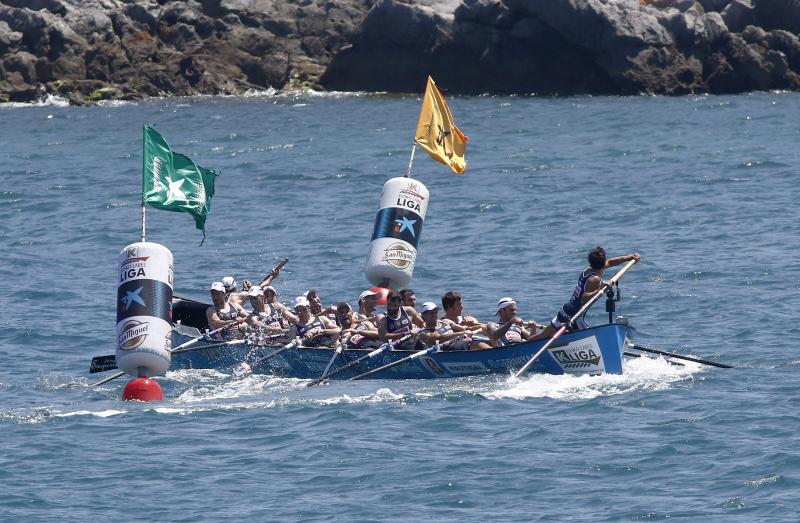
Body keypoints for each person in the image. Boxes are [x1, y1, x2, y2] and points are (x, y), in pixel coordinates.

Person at [545, 247, 641, 334]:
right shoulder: (594, 279)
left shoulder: (588, 270)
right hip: (574, 317)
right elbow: (584, 298)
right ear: (603, 262)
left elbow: (611, 262)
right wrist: (600, 288)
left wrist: (629, 258)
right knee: (591, 335)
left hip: (567, 310)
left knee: (543, 336)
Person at [416, 302, 491, 351]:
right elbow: (439, 338)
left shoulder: (446, 321)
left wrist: (483, 326)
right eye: (431, 313)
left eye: (435, 313)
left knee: (488, 341)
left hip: (460, 344)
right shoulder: (423, 334)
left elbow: (465, 329)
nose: (434, 315)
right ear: (423, 315)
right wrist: (462, 333)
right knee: (473, 344)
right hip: (447, 351)